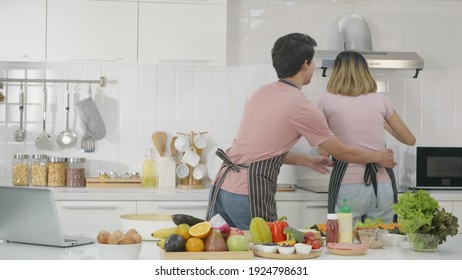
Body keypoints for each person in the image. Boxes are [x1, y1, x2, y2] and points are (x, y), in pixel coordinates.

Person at [205, 33, 397, 230]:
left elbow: (261, 151)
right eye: (313, 62)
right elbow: (341, 152)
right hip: (249, 193)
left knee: (225, 253)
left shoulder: (261, 93)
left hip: (222, 188)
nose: (314, 67)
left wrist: (306, 160)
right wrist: (378, 157)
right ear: (305, 65)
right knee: (267, 252)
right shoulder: (300, 105)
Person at [317, 50, 416, 224]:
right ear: (365, 72)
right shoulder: (380, 100)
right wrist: (384, 124)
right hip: (383, 184)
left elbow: (322, 152)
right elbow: (410, 139)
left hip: (347, 185)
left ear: (336, 72)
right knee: (381, 241)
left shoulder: (325, 101)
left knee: (345, 241)